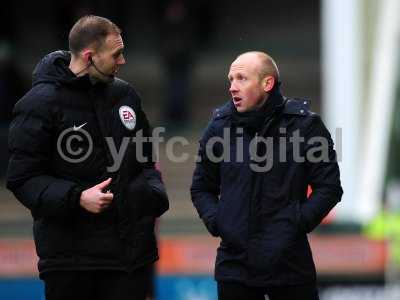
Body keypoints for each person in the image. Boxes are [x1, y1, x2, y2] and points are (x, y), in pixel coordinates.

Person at [6, 15, 169, 300]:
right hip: (71, 263)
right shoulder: (38, 104)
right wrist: (77, 197)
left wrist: (151, 195)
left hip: (129, 259)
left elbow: (146, 162)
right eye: (116, 54)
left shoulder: (126, 95)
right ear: (89, 55)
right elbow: (22, 178)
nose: (123, 61)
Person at [191, 51, 343, 300]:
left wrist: (296, 223)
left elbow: (329, 187)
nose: (232, 87)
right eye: (230, 79)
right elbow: (201, 188)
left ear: (267, 83)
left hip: (291, 267)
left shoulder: (305, 126)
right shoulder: (219, 127)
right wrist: (220, 222)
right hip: (235, 269)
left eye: (241, 78)